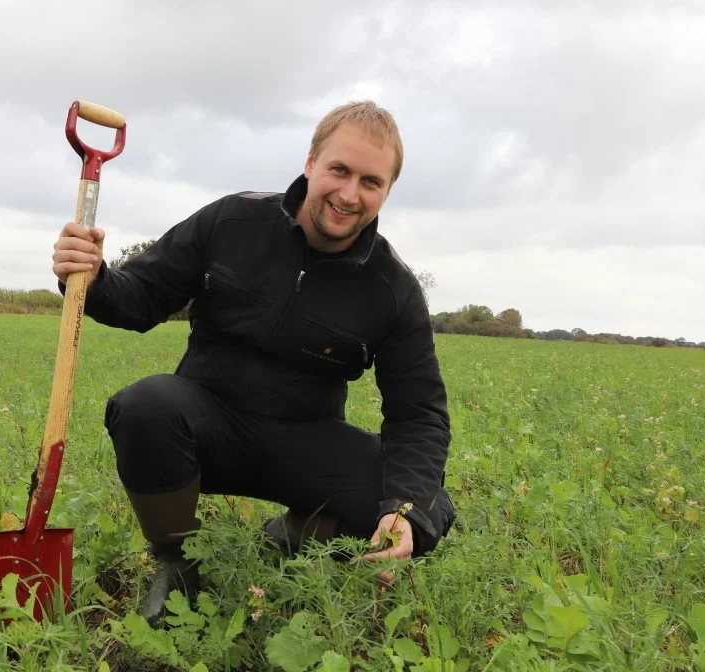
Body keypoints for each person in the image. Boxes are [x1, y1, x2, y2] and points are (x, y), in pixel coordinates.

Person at [51, 100, 455, 627]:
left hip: (304, 441)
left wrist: (403, 512)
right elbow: (141, 296)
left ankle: (290, 538)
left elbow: (419, 413)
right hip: (205, 427)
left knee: (425, 507)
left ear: (388, 191)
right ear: (311, 162)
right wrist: (92, 276)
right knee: (147, 405)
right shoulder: (233, 220)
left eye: (371, 182)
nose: (349, 194)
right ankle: (177, 563)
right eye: (339, 169)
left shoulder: (392, 290)